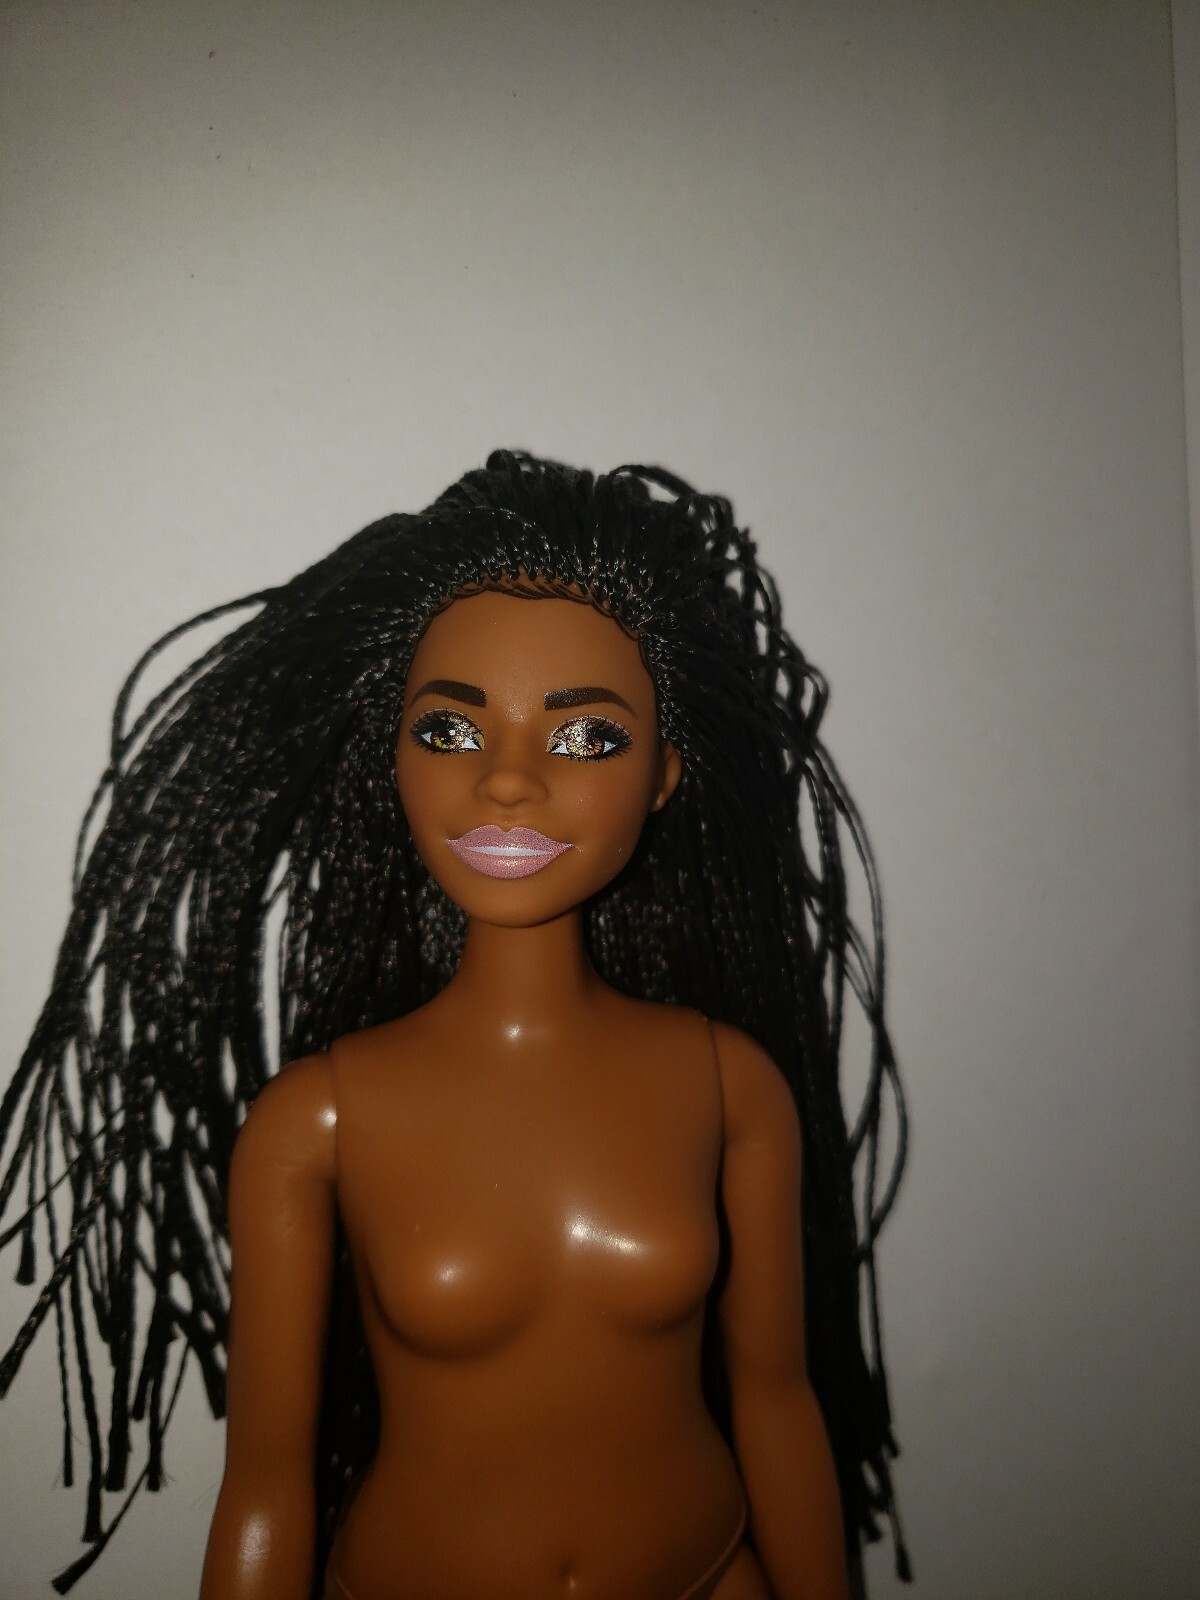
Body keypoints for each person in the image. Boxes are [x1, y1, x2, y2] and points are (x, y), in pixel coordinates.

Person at [0, 452, 908, 1598]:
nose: (510, 781)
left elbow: (777, 1400)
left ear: (663, 777)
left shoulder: (729, 1085)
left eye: (586, 737)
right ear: (394, 758)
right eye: (449, 730)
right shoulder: (319, 1118)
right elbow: (267, 1480)